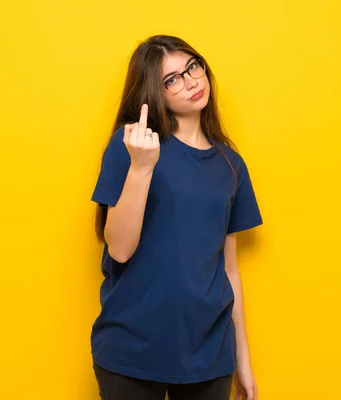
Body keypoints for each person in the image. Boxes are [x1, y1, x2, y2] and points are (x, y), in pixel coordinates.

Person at [90, 34, 263, 400]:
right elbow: (119, 249)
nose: (191, 82)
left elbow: (229, 269)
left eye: (193, 67)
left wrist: (243, 360)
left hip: (209, 353)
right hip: (132, 350)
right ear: (154, 92)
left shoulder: (231, 164)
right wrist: (141, 168)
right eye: (172, 79)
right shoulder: (132, 144)